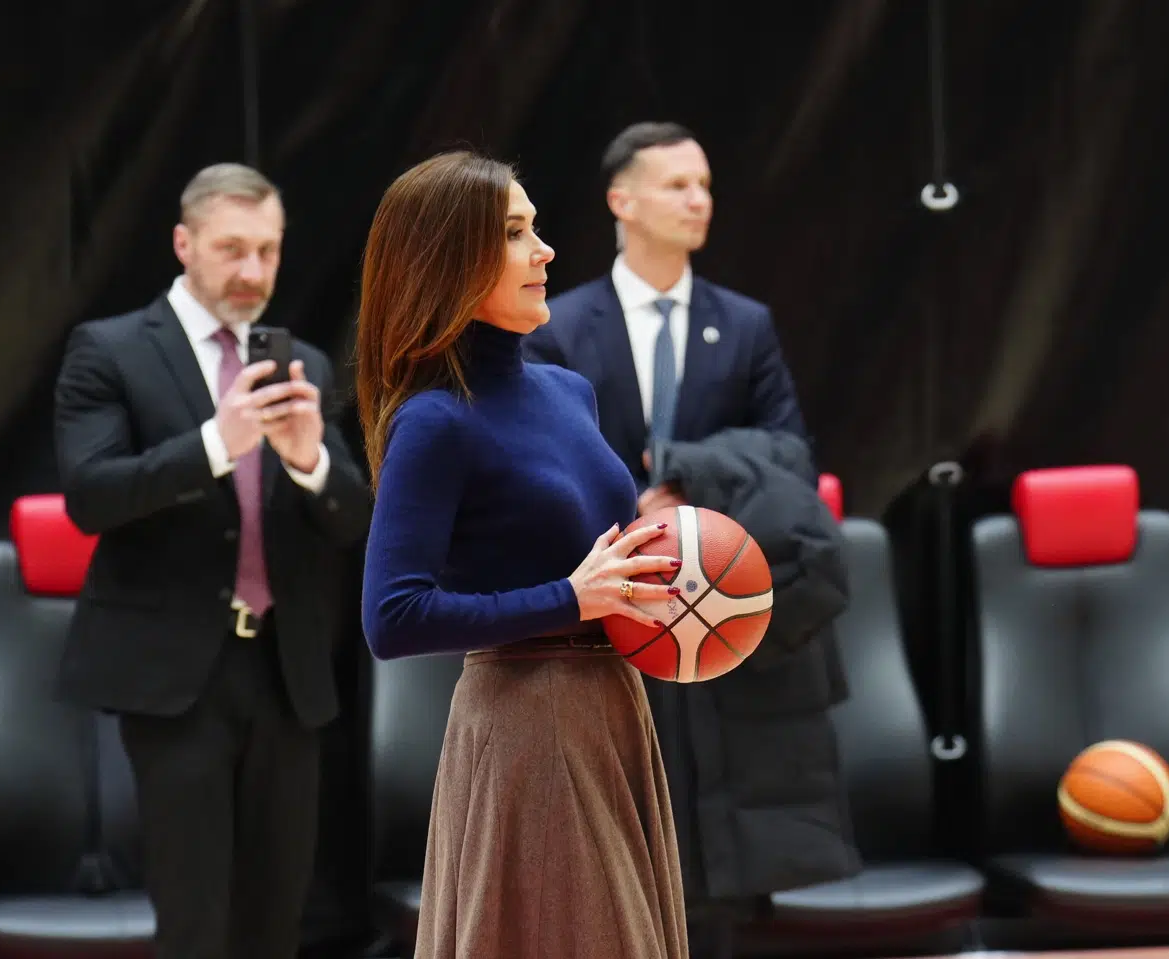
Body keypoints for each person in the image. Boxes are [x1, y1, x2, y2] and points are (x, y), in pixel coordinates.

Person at [524, 122, 860, 959]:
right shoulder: (561, 326)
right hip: (611, 613)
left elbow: (790, 453)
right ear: (621, 199)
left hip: (717, 610)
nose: (699, 198)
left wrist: (683, 473)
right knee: (614, 858)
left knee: (719, 869)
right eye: (677, 184)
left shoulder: (743, 326)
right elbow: (529, 460)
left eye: (705, 184)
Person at [355, 150, 689, 959]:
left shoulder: (566, 390)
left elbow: (597, 566)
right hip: (526, 724)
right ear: (451, 260)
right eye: (514, 233)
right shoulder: (435, 421)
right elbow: (391, 617)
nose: (543, 250)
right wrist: (572, 599)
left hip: (615, 706)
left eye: (535, 227)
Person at [52, 163, 373, 959]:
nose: (253, 272)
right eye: (232, 249)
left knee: (275, 919)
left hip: (286, 671)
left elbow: (354, 518)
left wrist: (309, 462)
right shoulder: (111, 349)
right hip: (175, 676)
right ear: (183, 242)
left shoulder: (302, 364)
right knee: (195, 921)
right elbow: (92, 496)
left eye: (268, 250)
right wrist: (212, 446)